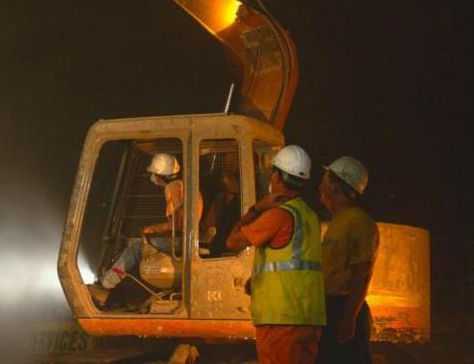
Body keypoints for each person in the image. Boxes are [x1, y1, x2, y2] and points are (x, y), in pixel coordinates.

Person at [225, 145, 325, 364]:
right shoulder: (308, 215)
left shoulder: (278, 215)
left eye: (273, 173)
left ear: (278, 177)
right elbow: (293, 261)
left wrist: (258, 208)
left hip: (281, 319)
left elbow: (232, 241)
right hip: (308, 317)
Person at [88, 152, 201, 308]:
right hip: (186, 238)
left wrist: (153, 228)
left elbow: (179, 224)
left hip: (183, 241)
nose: (152, 177)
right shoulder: (182, 185)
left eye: (154, 174)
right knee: (141, 247)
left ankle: (105, 286)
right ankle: (126, 296)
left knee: (135, 247)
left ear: (161, 175)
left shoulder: (173, 188)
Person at [316, 157, 378, 364]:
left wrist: (349, 317)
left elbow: (362, 273)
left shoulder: (359, 222)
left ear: (335, 186)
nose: (320, 186)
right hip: (332, 308)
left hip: (343, 307)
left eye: (325, 180)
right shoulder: (338, 222)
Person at [201, 170, 241, 256]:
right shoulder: (220, 200)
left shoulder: (237, 203)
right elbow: (210, 225)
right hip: (220, 247)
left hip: (229, 248)